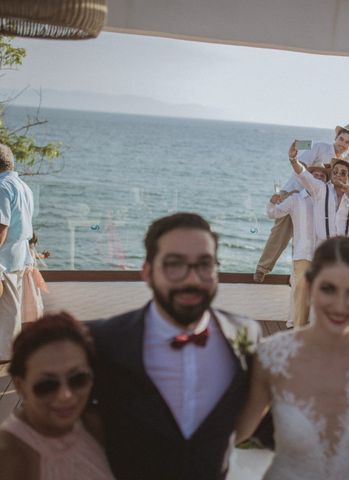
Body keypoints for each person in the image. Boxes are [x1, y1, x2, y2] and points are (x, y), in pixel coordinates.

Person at [88, 213, 261, 480]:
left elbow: (242, 420)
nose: (191, 279)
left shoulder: (246, 333)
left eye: (204, 264)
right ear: (147, 271)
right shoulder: (105, 340)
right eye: (174, 265)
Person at [236, 236, 349, 480]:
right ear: (309, 286)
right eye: (328, 289)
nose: (340, 305)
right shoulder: (272, 356)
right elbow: (234, 433)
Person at [0, 312, 114, 479]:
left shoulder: (94, 422)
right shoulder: (11, 454)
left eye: (78, 379)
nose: (65, 396)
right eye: (46, 385)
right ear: (20, 385)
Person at [254, 123, 349, 282]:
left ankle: (296, 276)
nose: (342, 144)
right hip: (295, 192)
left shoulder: (342, 163)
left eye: (346, 142)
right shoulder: (320, 147)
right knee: (280, 232)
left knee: (305, 236)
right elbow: (300, 165)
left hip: (315, 200)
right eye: (341, 139)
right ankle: (262, 268)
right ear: (335, 138)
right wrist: (299, 187)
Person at [266, 164, 329, 328]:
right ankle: (298, 328)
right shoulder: (295, 199)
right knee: (300, 292)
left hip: (323, 256)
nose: (318, 178)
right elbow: (274, 213)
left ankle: (316, 329)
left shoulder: (329, 200)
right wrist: (272, 203)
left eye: (322, 176)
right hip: (302, 253)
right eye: (315, 175)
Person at [0, 143, 34, 363]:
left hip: (4, 259)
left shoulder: (2, 186)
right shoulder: (23, 186)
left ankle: (5, 360)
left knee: (8, 314)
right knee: (11, 312)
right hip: (18, 256)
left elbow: (1, 226)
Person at [288, 144, 349, 243]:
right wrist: (293, 159)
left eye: (342, 173)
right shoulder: (321, 189)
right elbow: (304, 175)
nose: (338, 175)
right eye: (335, 172)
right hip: (322, 245)